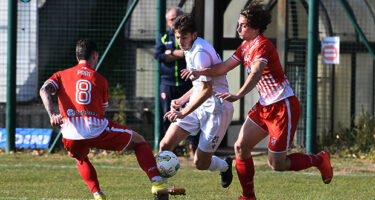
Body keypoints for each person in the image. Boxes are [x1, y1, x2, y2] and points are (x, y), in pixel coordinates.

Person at [181, 2, 333, 200]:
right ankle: (248, 196)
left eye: (243, 25)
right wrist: (199, 72)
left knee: (277, 164)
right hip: (264, 107)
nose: (238, 28)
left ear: (255, 27)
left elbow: (256, 73)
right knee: (240, 147)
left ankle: (319, 160)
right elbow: (223, 67)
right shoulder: (244, 46)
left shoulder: (263, 45)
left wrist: (239, 94)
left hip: (282, 106)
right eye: (238, 24)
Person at [39, 39, 185, 200]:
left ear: (77, 56)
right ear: (95, 56)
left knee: (80, 159)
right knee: (139, 141)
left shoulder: (60, 75)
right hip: (97, 130)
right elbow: (102, 110)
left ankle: (97, 194)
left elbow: (44, 90)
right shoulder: (100, 80)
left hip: (70, 134)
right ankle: (157, 183)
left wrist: (52, 114)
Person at [160, 14, 235, 188]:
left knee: (200, 163)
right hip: (198, 103)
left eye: (183, 37)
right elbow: (199, 86)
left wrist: (183, 112)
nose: (180, 41)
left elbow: (208, 91)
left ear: (194, 35)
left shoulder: (200, 52)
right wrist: (181, 100)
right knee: (165, 144)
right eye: (178, 37)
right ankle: (161, 191)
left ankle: (224, 166)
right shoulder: (189, 48)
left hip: (216, 109)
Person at [154, 8, 199, 160]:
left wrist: (170, 53)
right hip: (167, 83)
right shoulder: (163, 37)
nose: (173, 22)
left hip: (187, 83)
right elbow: (159, 56)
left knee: (191, 114)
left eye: (175, 18)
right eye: (170, 19)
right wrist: (175, 54)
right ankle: (170, 150)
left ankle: (193, 148)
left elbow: (188, 52)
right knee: (169, 115)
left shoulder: (188, 37)